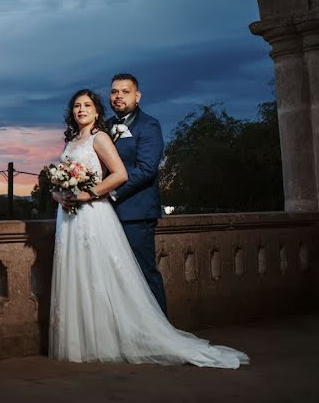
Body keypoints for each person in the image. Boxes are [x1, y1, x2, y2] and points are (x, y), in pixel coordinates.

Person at [49, 88, 248, 368]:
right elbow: (60, 180)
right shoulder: (70, 141)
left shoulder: (100, 138)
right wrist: (59, 194)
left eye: (87, 105)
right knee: (77, 272)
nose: (81, 109)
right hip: (68, 216)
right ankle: (82, 339)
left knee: (99, 274)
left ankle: (112, 337)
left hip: (91, 214)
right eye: (77, 106)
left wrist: (88, 194)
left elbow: (120, 174)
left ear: (97, 111)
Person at [107, 73, 167, 314]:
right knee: (116, 278)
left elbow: (146, 169)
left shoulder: (149, 125)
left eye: (125, 91)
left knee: (144, 274)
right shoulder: (104, 126)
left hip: (136, 213)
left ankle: (162, 333)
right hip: (107, 216)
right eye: (114, 91)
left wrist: (108, 192)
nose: (118, 96)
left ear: (137, 96)